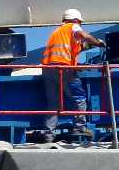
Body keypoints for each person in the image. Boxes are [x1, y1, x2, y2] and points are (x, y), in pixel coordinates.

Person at [40, 8, 105, 142]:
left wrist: (88, 46)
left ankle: (48, 136)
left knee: (53, 104)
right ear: (76, 20)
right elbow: (83, 35)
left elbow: (75, 47)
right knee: (79, 97)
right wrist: (98, 42)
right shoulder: (73, 26)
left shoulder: (57, 32)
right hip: (64, 69)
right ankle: (79, 127)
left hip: (47, 70)